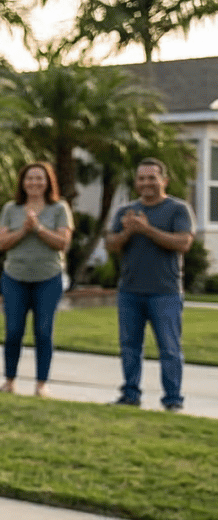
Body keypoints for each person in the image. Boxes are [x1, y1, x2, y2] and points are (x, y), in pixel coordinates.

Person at [105, 157, 195, 411]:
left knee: (169, 349)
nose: (146, 183)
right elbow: (111, 245)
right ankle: (130, 394)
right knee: (130, 346)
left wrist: (147, 230)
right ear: (136, 182)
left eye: (151, 178)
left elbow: (183, 243)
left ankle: (173, 400)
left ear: (163, 181)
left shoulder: (178, 209)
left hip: (165, 292)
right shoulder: (126, 211)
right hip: (130, 291)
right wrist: (126, 233)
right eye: (141, 178)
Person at [0, 161, 73, 398]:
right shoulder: (11, 209)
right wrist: (23, 230)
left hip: (48, 278)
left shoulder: (59, 208)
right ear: (22, 182)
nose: (34, 183)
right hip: (14, 277)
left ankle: (41, 384)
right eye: (30, 178)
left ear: (48, 182)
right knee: (14, 330)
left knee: (43, 331)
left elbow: (63, 243)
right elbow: (1, 243)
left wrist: (38, 228)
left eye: (40, 178)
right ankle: (9, 381)